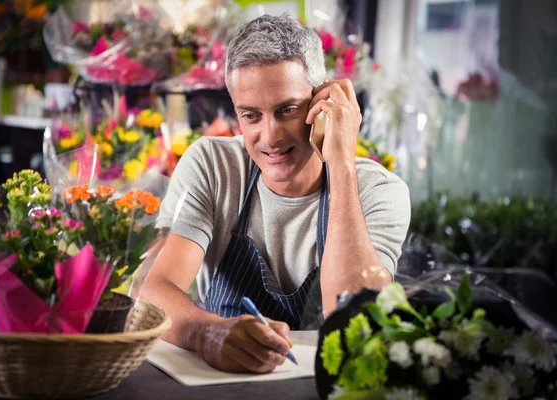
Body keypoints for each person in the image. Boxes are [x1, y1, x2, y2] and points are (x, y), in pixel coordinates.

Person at [142, 14, 411, 374]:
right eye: (251, 116)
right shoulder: (214, 166)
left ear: (322, 102)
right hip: (221, 384)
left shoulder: (379, 191)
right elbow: (154, 289)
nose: (270, 137)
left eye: (287, 111)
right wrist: (207, 333)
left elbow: (354, 320)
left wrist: (342, 162)